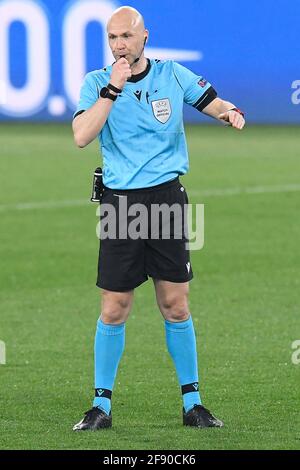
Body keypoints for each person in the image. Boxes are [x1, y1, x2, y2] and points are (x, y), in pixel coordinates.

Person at [72, 6, 245, 431]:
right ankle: (101, 408)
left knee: (175, 304)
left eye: (126, 37)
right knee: (114, 307)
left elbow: (211, 100)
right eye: (112, 38)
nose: (119, 45)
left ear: (144, 37)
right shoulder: (96, 83)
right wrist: (112, 91)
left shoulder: (171, 75)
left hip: (167, 200)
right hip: (120, 206)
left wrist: (227, 112)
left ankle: (194, 405)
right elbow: (80, 136)